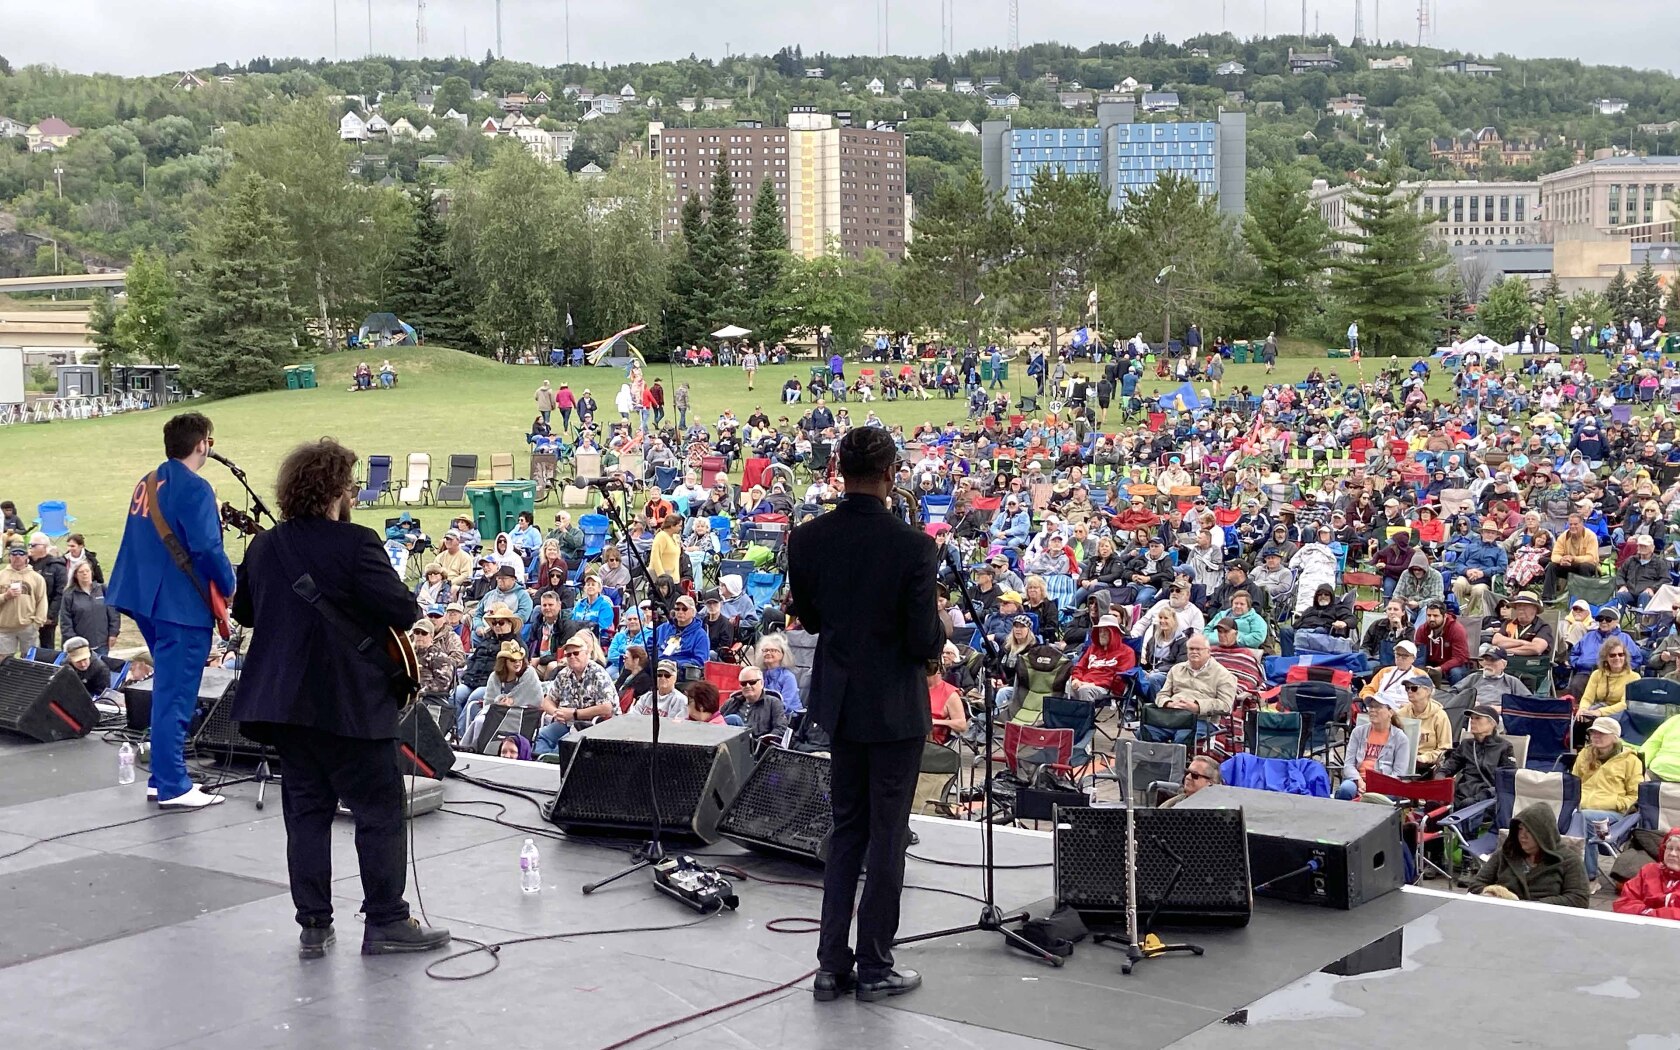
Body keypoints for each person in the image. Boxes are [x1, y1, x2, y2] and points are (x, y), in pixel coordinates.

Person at [229, 438, 450, 957]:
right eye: (349, 485)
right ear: (335, 491)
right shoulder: (357, 542)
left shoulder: (266, 547)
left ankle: (313, 925)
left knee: (306, 812)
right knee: (380, 808)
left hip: (285, 707)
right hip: (349, 704)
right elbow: (401, 608)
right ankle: (387, 922)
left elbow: (245, 613)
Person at [788, 425, 943, 1004]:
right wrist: (937, 636)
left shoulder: (807, 539)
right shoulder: (913, 546)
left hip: (841, 703)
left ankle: (831, 966)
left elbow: (809, 619)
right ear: (891, 473)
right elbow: (922, 636)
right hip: (896, 709)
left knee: (845, 829)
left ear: (838, 470)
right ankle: (875, 965)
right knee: (887, 836)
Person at [106, 412, 236, 809]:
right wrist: (230, 587)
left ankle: (162, 776)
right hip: (178, 604)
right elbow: (207, 549)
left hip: (142, 596)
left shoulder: (147, 481)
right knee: (175, 695)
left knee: (168, 689)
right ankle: (173, 785)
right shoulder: (196, 488)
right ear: (203, 444)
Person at [1466, 803, 1590, 908]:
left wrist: (1531, 906)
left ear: (1543, 834)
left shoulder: (1569, 861)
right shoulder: (1506, 853)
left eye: (1529, 831)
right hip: (1503, 917)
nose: (1522, 836)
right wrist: (1496, 893)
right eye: (1520, 829)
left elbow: (1578, 899)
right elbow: (1476, 885)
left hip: (1548, 923)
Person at [1572, 716, 1643, 884]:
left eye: (1602, 733)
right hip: (1581, 810)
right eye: (1593, 732)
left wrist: (1616, 803)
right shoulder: (1585, 754)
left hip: (1615, 818)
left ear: (1615, 737)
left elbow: (1636, 796)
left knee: (1584, 818)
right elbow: (1572, 784)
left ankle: (1588, 878)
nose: (1596, 736)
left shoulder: (1630, 760)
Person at [534, 634, 617, 756]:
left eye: (576, 653)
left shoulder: (598, 674)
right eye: (568, 654)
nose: (572, 657)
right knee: (538, 736)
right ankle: (545, 760)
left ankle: (552, 760)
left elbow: (607, 708)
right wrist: (556, 712)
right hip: (566, 723)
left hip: (592, 726)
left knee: (563, 745)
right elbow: (547, 701)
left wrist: (574, 714)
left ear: (587, 654)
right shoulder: (563, 674)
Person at [1148, 634, 1237, 745]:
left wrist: (1197, 706)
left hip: (1202, 720)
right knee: (1147, 731)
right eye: (1191, 649)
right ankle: (1157, 762)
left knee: (1182, 737)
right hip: (1173, 716)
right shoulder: (1176, 669)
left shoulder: (1223, 675)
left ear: (1208, 652)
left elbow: (1226, 706)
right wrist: (1168, 703)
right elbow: (1161, 695)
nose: (1194, 652)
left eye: (1198, 649)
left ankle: (1175, 761)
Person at [1336, 692, 1415, 799]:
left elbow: (1399, 773)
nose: (1372, 710)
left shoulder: (1400, 738)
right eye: (1371, 706)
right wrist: (1359, 781)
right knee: (1345, 789)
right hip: (1357, 780)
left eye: (1378, 707)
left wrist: (1375, 786)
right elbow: (1348, 765)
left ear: (1390, 712)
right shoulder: (1358, 732)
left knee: (1385, 796)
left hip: (1385, 784)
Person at [1436, 704, 1516, 809]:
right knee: (1434, 803)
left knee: (1468, 805)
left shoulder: (1504, 747)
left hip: (1487, 798)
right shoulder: (1466, 745)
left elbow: (1508, 780)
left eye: (1478, 718)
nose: (1472, 721)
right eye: (1471, 718)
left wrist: (1485, 794)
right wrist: (1440, 775)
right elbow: (1449, 766)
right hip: (1462, 793)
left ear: (1492, 724)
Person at [1612, 828, 1680, 921]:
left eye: (1679, 850)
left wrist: (1650, 913)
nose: (1672, 853)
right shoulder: (1648, 871)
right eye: (1669, 848)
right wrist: (1650, 913)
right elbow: (1624, 903)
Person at [1573, 637, 1640, 723]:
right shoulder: (1597, 674)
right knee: (1580, 718)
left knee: (1601, 721)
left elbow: (1625, 704)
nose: (1617, 658)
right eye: (1612, 655)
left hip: (1622, 713)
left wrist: (1600, 712)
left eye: (1620, 654)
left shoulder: (1634, 677)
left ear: (1625, 656)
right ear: (1605, 658)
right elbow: (1587, 698)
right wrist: (1583, 709)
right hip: (1600, 707)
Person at [0, 541, 49, 658]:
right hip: (4, 628)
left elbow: (42, 601)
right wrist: (6, 596)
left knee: (29, 660)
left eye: (21, 554)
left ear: (27, 556)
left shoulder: (36, 578)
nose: (17, 557)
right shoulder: (1, 575)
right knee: (3, 660)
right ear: (9, 556)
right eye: (14, 554)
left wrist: (37, 623)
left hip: (28, 627)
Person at [719, 667, 789, 740]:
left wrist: (763, 741)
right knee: (731, 719)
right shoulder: (731, 702)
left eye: (752, 682)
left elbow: (780, 728)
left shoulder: (773, 703)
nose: (748, 686)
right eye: (743, 683)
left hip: (758, 746)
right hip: (727, 744)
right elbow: (715, 721)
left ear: (762, 683)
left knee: (734, 719)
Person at [1414, 600, 1471, 686]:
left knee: (1456, 673)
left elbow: (1460, 657)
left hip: (1454, 664)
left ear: (1444, 616)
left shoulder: (1456, 630)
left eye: (1435, 616)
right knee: (1415, 670)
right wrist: (1421, 669)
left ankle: (1455, 696)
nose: (1431, 619)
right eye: (1429, 615)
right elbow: (1419, 655)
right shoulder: (1422, 630)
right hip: (1431, 663)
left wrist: (1441, 668)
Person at [26, 533, 66, 649]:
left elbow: (60, 593)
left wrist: (50, 615)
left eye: (33, 545)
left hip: (46, 614)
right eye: (29, 545)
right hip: (26, 613)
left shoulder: (56, 566)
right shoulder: (24, 564)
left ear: (44, 547)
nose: (30, 548)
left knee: (47, 646)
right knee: (27, 647)